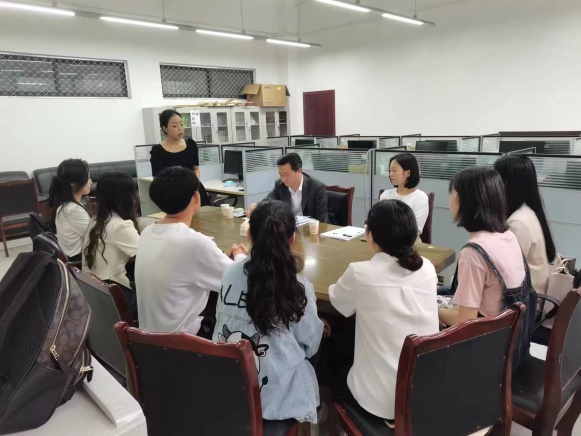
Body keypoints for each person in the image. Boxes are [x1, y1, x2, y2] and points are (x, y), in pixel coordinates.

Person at [328, 200, 439, 426]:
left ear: (371, 236)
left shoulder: (360, 273)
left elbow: (338, 302)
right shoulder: (427, 267)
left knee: (330, 358)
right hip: (424, 390)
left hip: (380, 402)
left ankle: (326, 418)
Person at [213, 200, 323, 423]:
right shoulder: (298, 288)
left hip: (229, 386)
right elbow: (311, 346)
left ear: (249, 236)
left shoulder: (229, 274)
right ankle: (318, 410)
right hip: (276, 401)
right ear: (292, 239)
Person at [135, 166, 247, 339]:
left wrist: (217, 258)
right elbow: (239, 281)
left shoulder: (147, 232)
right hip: (183, 341)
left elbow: (184, 268)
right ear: (196, 196)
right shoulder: (194, 243)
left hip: (147, 338)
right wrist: (240, 255)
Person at [438, 167, 530, 327]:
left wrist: (432, 310)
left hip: (483, 338)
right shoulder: (508, 236)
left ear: (465, 201)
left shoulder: (474, 252)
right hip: (509, 336)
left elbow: (464, 321)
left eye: (452, 192)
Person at [494, 155, 556, 294]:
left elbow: (508, 273)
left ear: (507, 184)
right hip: (528, 295)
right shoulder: (526, 212)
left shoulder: (517, 223)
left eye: (496, 181)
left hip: (525, 300)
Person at [83, 172, 140, 319]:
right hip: (117, 298)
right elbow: (148, 257)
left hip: (98, 294)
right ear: (126, 196)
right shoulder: (119, 226)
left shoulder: (97, 220)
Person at [150, 109, 210, 206]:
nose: (180, 129)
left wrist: (194, 185)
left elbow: (196, 169)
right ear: (165, 128)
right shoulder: (158, 151)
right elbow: (157, 179)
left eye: (181, 124)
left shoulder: (191, 145)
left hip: (194, 191)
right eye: (174, 126)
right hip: (174, 195)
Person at [251, 153, 328, 222]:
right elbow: (268, 200)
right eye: (281, 175)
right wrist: (257, 206)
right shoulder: (280, 185)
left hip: (310, 229)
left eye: (286, 175)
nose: (283, 179)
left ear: (299, 171)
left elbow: (321, 219)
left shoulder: (316, 187)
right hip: (290, 228)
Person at [48, 158, 92, 262]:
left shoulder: (66, 205)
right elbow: (95, 237)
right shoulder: (73, 210)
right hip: (80, 261)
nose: (91, 181)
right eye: (88, 177)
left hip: (75, 256)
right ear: (74, 184)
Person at [379, 153, 429, 237]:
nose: (390, 174)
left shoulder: (420, 197)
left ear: (408, 173)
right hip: (384, 240)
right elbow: (377, 222)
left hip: (408, 242)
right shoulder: (386, 195)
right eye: (390, 170)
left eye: (394, 170)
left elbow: (415, 230)